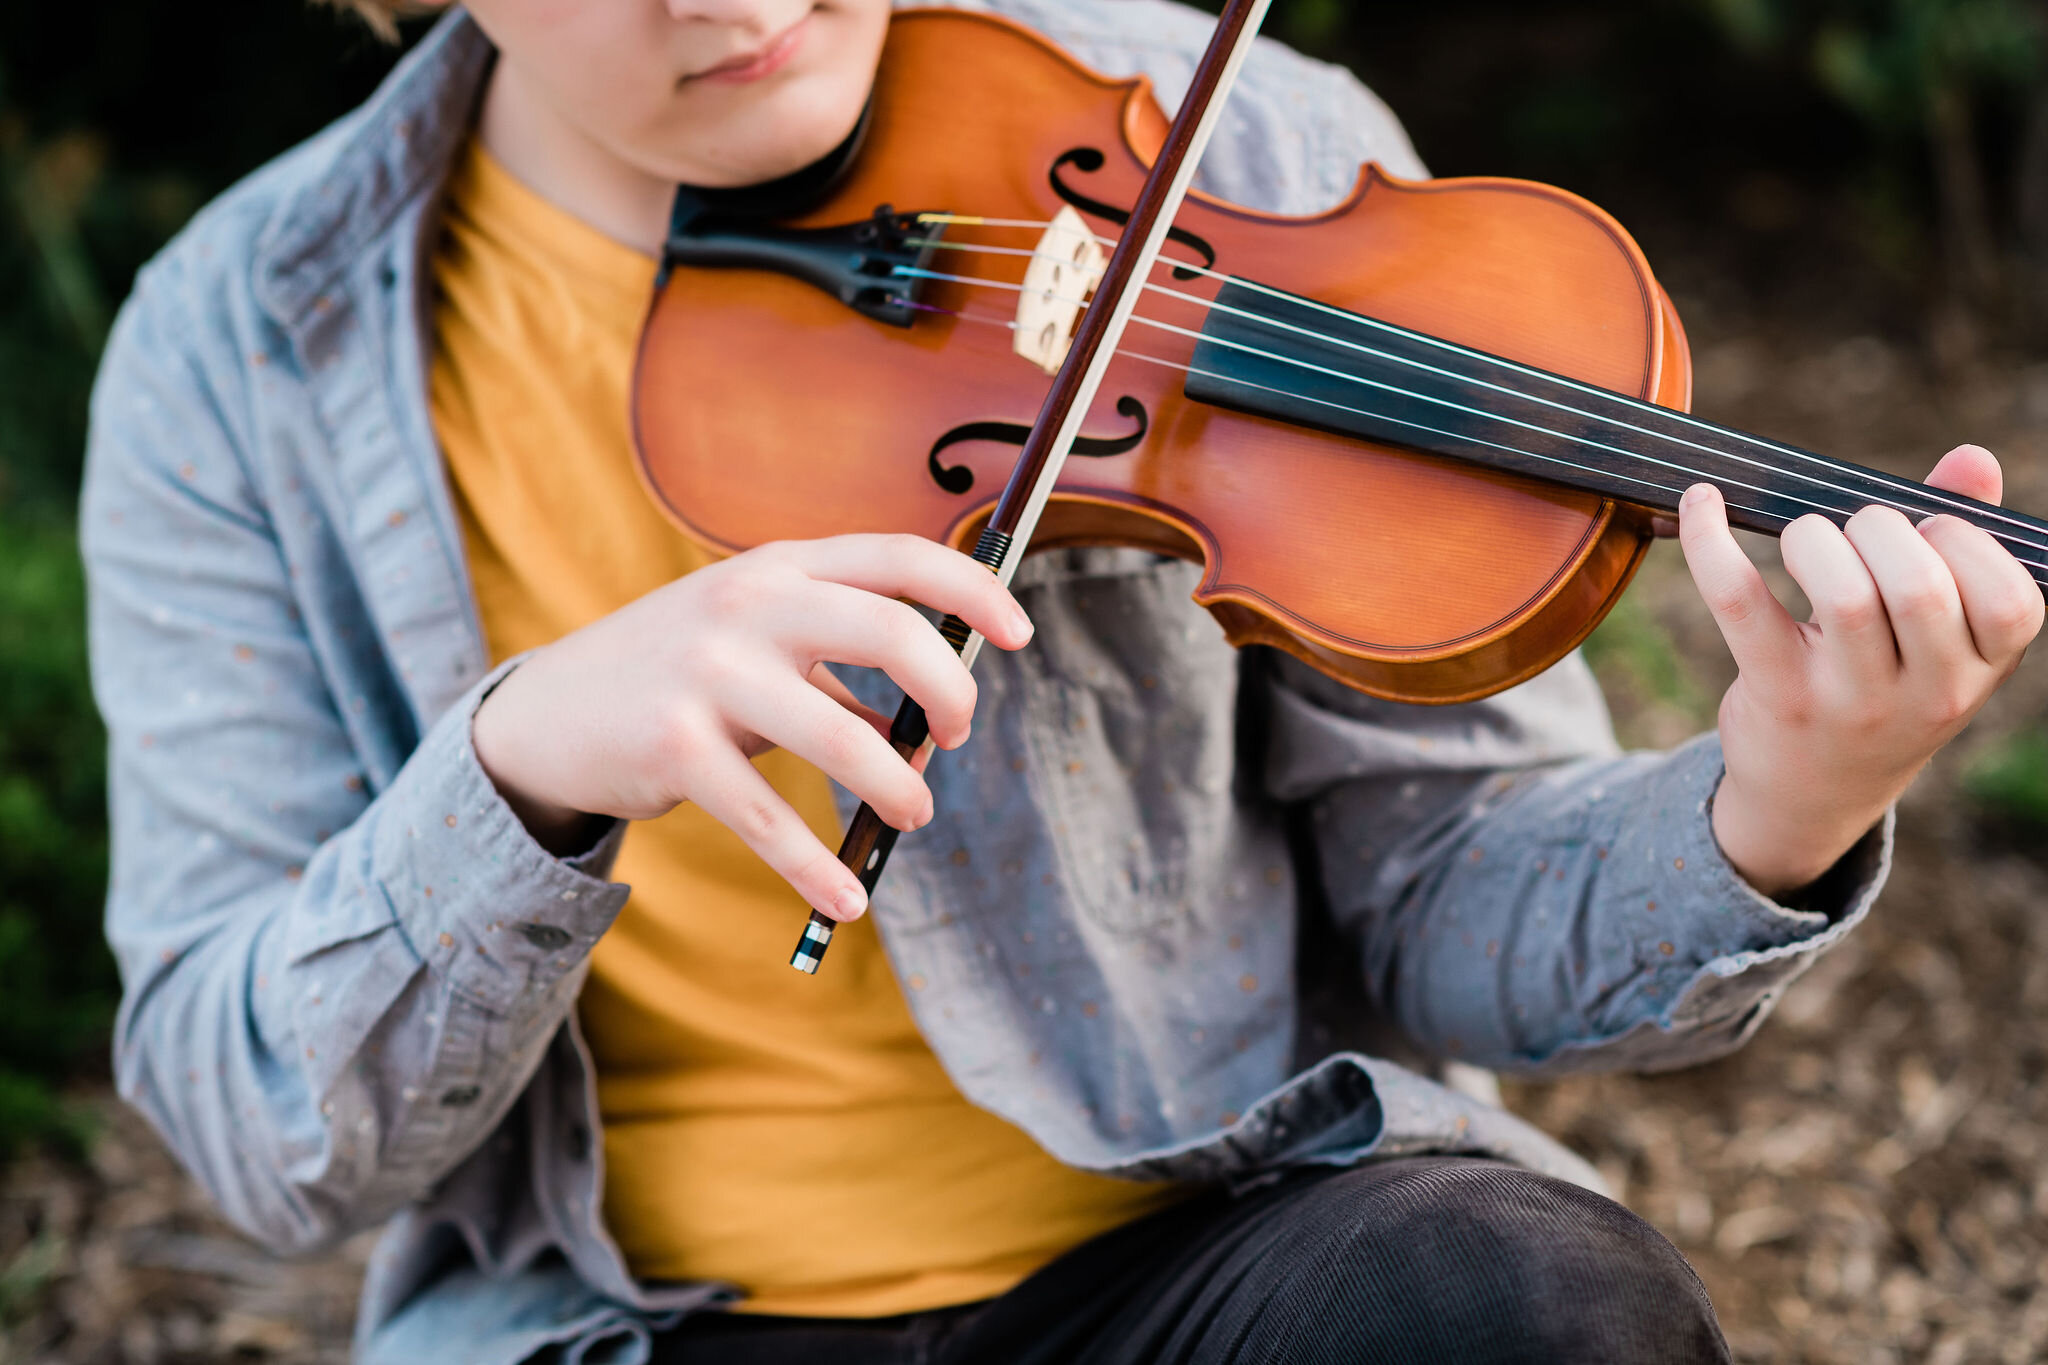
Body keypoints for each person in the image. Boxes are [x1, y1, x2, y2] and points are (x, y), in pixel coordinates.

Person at [80, 0, 2043, 1361]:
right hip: (628, 1328)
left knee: (1517, 1310)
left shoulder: (1230, 135)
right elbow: (259, 1135)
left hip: (1206, 1272)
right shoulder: (238, 356)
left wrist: (1776, 802)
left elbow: (1442, 898)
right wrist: (519, 766)